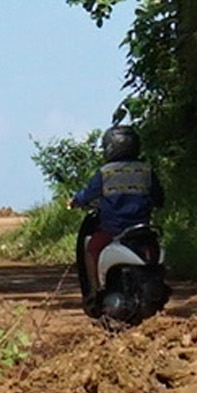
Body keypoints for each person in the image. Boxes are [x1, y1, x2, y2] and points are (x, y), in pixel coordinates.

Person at [70, 120, 164, 310]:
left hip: (113, 230)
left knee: (91, 250)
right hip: (143, 230)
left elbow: (87, 195)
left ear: (110, 147)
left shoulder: (106, 173)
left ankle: (96, 291)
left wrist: (75, 201)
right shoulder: (146, 170)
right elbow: (159, 198)